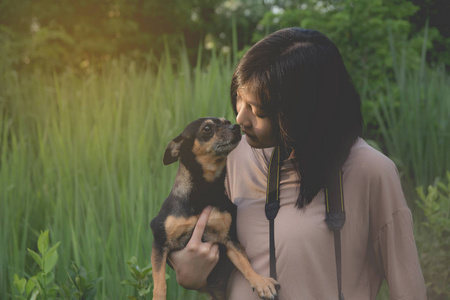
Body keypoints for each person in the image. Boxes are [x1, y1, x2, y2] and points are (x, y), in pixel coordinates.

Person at [168, 28, 426, 299]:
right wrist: (193, 272)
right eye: (239, 100)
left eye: (259, 111)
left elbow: (408, 289)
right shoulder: (233, 157)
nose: (240, 119)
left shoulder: (371, 171)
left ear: (302, 112)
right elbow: (210, 256)